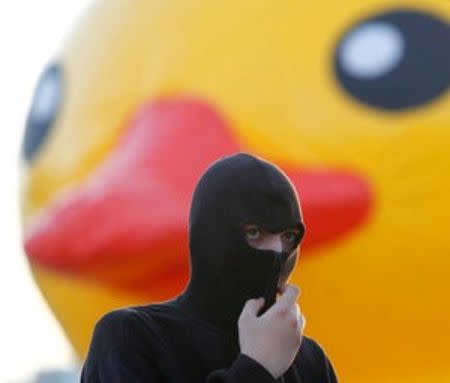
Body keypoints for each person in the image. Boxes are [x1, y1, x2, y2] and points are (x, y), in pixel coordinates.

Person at [80, 152, 338, 382]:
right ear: (211, 237)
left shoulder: (308, 361)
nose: (276, 252)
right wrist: (256, 369)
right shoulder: (133, 337)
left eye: (288, 236)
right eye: (255, 233)